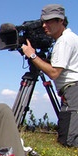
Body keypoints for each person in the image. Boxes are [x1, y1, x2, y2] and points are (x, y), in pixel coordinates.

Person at [21, 4, 78, 147]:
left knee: (69, 142)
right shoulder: (67, 38)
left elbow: (53, 73)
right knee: (67, 136)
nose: (45, 25)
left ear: (61, 21)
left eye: (49, 21)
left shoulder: (64, 41)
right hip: (71, 92)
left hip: (73, 91)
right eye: (43, 22)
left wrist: (32, 55)